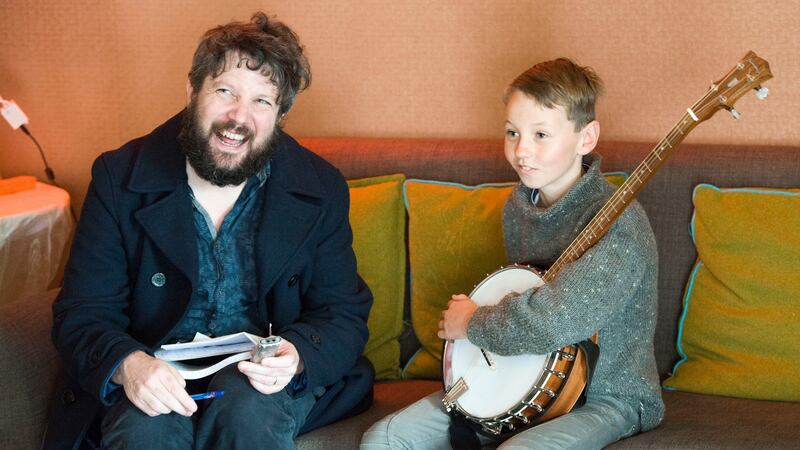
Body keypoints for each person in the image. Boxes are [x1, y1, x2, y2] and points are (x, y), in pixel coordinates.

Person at [46, 12, 374, 450]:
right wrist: (129, 365)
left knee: (248, 414)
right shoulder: (117, 177)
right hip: (156, 370)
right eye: (225, 92)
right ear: (192, 92)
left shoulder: (321, 187)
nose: (239, 118)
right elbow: (83, 310)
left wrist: (297, 355)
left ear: (280, 115)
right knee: (146, 429)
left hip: (258, 382)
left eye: (262, 102)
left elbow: (342, 312)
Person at [361, 58, 664, 449]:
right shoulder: (518, 208)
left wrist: (472, 323)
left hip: (608, 396)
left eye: (541, 135)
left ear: (586, 139)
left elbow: (555, 320)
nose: (522, 150)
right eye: (512, 132)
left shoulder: (620, 223)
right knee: (385, 438)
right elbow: (525, 285)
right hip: (522, 375)